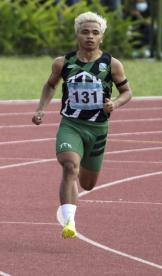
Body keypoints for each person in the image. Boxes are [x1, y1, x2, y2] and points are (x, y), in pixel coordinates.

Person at [32, 11, 132, 239]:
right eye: (85, 32)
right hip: (71, 125)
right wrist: (40, 108)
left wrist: (115, 103)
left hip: (97, 129)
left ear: (102, 38)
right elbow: (50, 86)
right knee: (69, 166)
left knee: (87, 184)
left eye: (95, 33)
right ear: (77, 35)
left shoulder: (112, 64)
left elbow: (127, 92)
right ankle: (69, 222)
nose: (90, 36)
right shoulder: (63, 63)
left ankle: (73, 198)